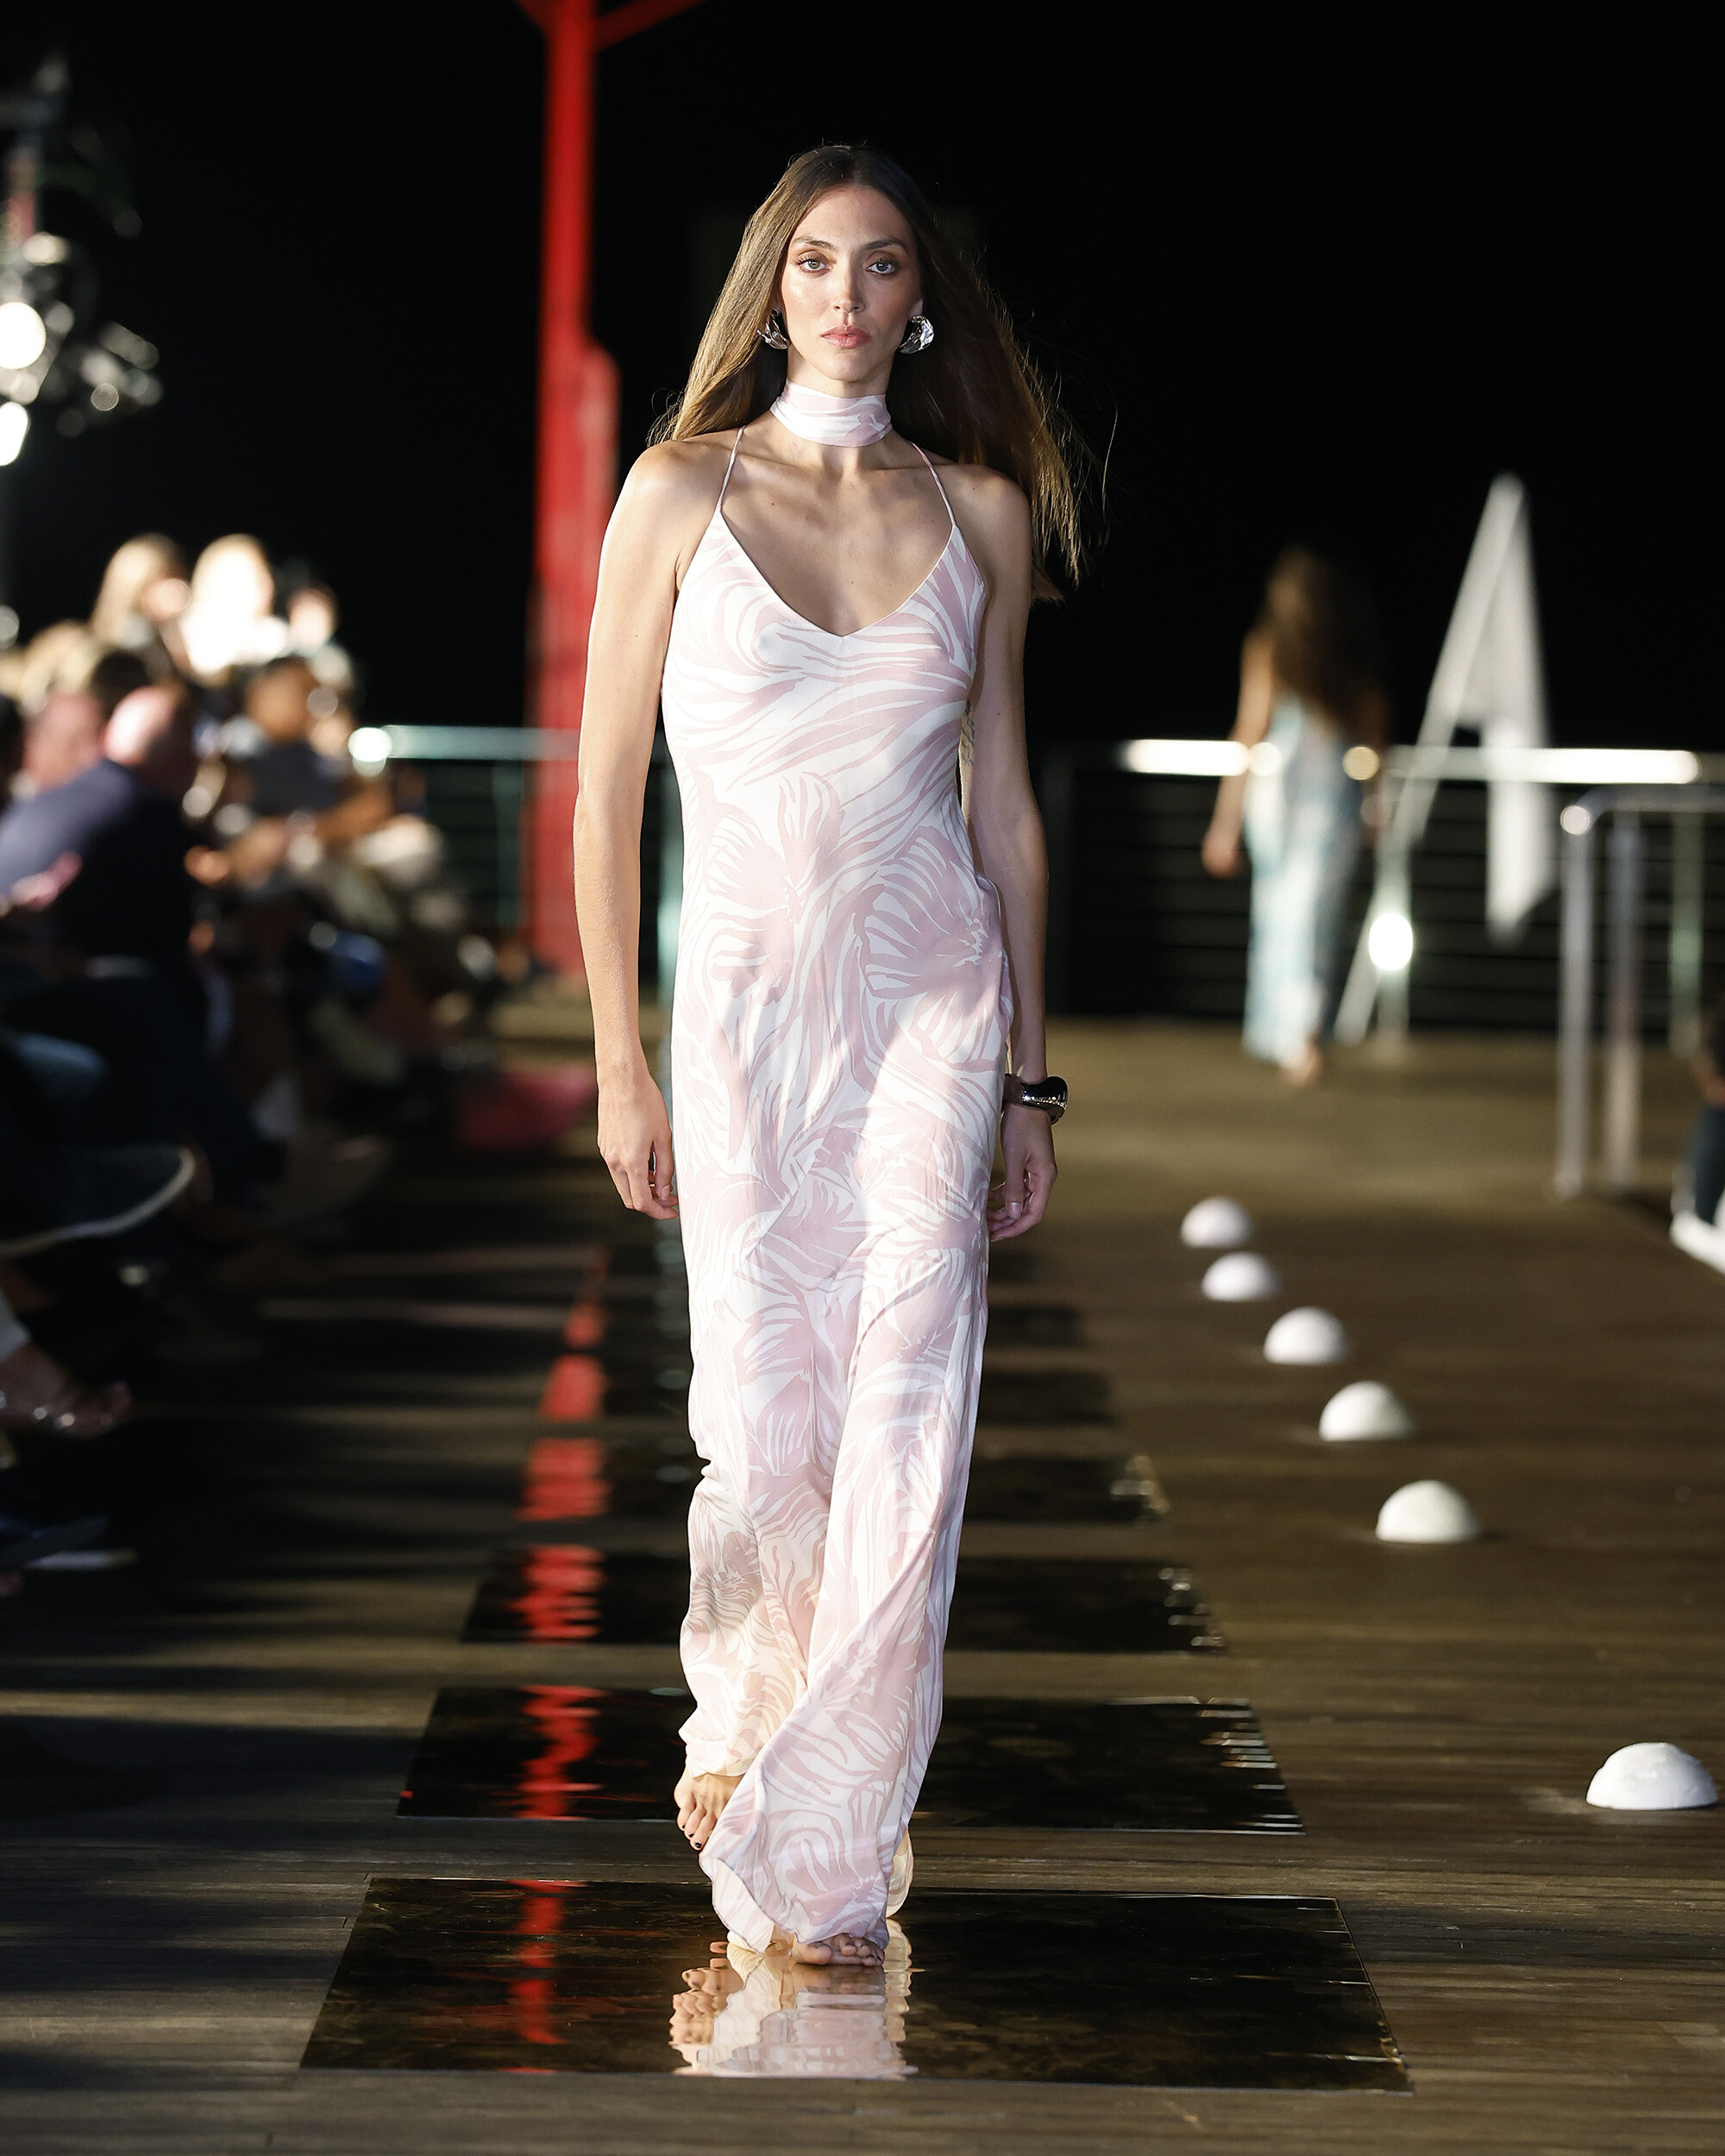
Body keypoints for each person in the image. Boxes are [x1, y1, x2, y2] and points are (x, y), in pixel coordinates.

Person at [574, 144, 1077, 1969]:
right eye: (811, 262)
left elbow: (1002, 811)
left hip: (933, 1003)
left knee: (908, 1408)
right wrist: (618, 1062)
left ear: (921, 298)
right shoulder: (677, 491)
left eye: (879, 264)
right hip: (745, 1021)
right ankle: (748, 1718)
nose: (845, 294)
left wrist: (1030, 1079)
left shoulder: (983, 510)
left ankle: (834, 1832)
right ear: (768, 290)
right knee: (764, 1416)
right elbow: (605, 796)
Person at [1201, 548, 1388, 1087]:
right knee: (1307, 913)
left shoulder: (1271, 646)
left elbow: (1249, 730)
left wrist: (1226, 821)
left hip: (1280, 795)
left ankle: (1292, 1032)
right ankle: (1296, 1033)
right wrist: (1377, 804)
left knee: (1285, 911)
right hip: (1321, 797)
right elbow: (1373, 732)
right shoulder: (1342, 650)